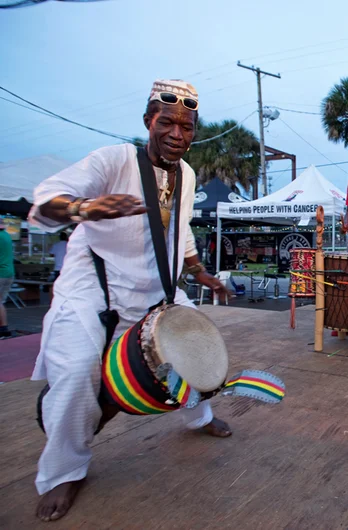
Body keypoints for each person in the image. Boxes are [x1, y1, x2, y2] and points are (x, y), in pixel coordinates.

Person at [28, 79, 233, 522]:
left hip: (154, 286)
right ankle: (64, 470)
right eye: (167, 123)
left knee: (195, 351)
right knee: (78, 370)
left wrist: (200, 274)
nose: (178, 134)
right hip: (92, 285)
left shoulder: (188, 174)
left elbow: (180, 232)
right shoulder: (114, 158)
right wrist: (85, 209)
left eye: (187, 126)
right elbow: (47, 196)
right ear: (148, 122)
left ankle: (198, 418)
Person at [0, 219, 14, 338]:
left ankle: (3, 328)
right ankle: (3, 328)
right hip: (8, 272)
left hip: (1, 272)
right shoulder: (6, 235)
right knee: (0, 302)